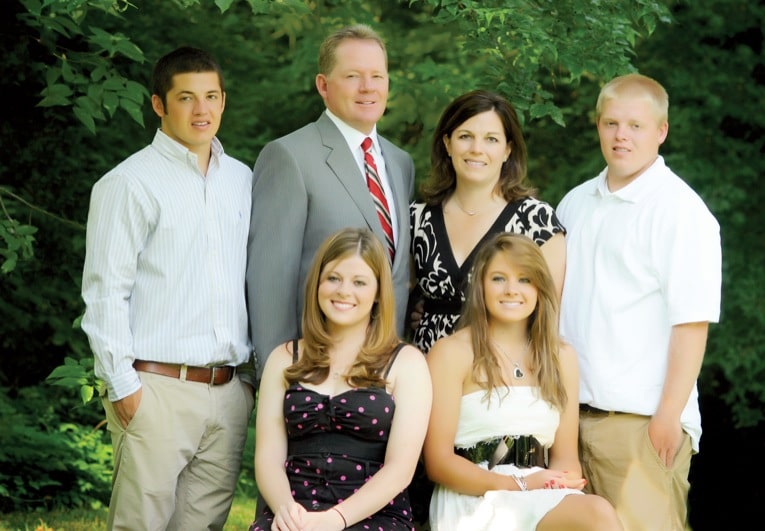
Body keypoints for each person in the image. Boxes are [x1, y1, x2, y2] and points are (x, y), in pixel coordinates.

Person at [80, 46, 255, 530]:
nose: (202, 110)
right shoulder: (128, 184)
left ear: (223, 101)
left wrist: (248, 382)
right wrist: (123, 387)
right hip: (156, 389)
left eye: (211, 96)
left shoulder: (242, 180)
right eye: (186, 98)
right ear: (159, 104)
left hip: (228, 391)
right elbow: (104, 292)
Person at [557, 73, 722, 530]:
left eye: (635, 125)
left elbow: (692, 322)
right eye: (610, 123)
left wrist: (667, 418)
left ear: (661, 131)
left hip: (640, 424)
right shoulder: (574, 203)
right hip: (570, 422)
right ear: (597, 126)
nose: (620, 136)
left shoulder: (681, 212)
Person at [248, 24, 415, 379]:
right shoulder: (289, 157)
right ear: (323, 85)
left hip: (389, 372)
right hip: (316, 376)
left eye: (377, 76)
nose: (368, 87)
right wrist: (281, 381)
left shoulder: (400, 163)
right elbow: (270, 283)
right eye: (353, 76)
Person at [423, 233, 622, 530]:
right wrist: (519, 485)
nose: (511, 290)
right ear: (481, 286)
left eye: (525, 280)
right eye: (499, 278)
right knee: (597, 514)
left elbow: (566, 460)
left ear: (540, 288)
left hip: (542, 495)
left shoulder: (561, 357)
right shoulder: (451, 353)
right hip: (475, 497)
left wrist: (551, 484)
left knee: (596, 513)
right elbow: (437, 463)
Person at [251, 228, 432, 531]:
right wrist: (287, 512)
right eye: (333, 278)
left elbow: (400, 469)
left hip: (374, 516)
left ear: (377, 294)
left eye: (359, 282)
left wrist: (335, 520)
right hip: (293, 512)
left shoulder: (406, 363)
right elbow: (268, 458)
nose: (344, 291)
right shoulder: (284, 358)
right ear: (318, 283)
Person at [410, 89, 566, 354]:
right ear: (447, 143)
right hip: (426, 375)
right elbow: (396, 296)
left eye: (491, 139)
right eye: (465, 137)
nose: (476, 149)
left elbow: (548, 318)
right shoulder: (416, 217)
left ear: (507, 150)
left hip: (499, 371)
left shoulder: (537, 222)